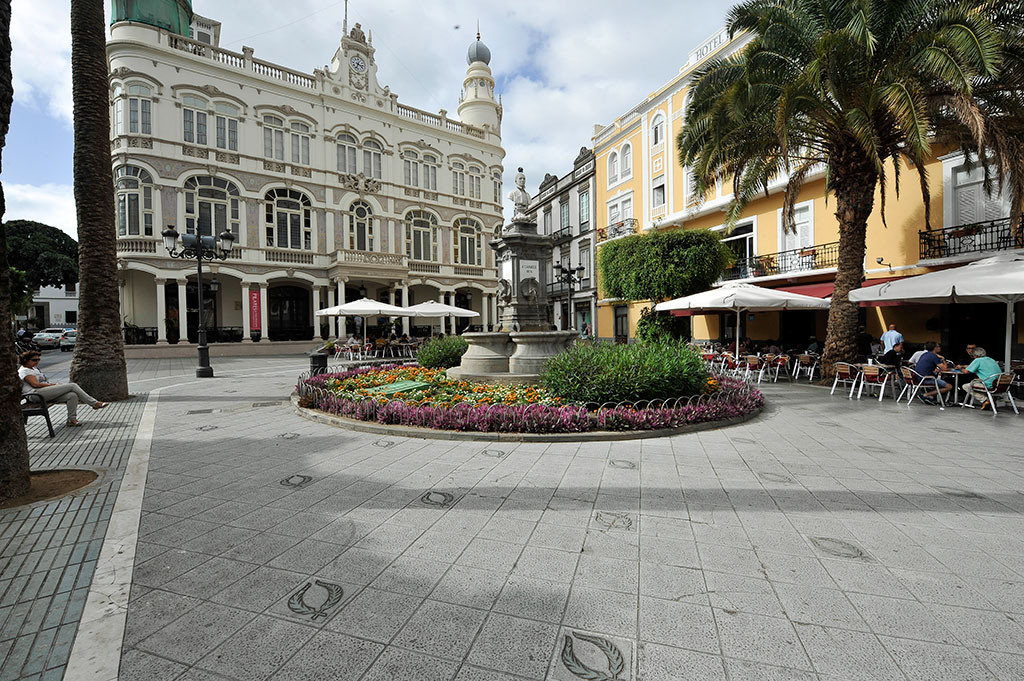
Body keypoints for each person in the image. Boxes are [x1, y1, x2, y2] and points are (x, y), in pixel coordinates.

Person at [17, 351, 107, 427]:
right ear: (25, 360)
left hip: (44, 393)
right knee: (72, 386)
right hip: (35, 394)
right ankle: (94, 403)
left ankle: (71, 420)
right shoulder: (24, 371)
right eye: (34, 360)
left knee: (72, 395)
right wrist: (54, 385)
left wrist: (54, 386)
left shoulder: (34, 369)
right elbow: (35, 384)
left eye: (38, 359)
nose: (37, 362)